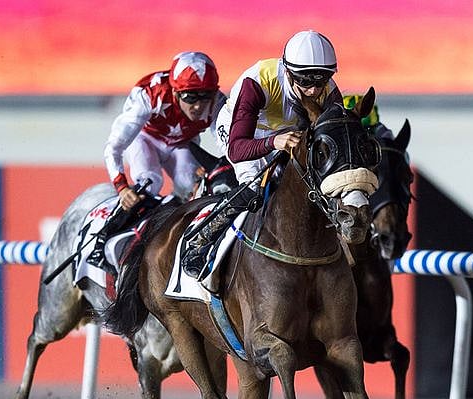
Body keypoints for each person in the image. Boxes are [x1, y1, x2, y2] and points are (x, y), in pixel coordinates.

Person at [181, 30, 343, 279]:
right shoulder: (258, 80)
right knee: (253, 186)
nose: (313, 91)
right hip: (245, 132)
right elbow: (237, 148)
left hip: (286, 134)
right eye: (305, 81)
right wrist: (274, 141)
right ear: (288, 72)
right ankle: (201, 240)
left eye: (320, 81)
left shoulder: (329, 91)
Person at [88, 51, 226, 270]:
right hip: (145, 139)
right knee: (150, 181)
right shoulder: (150, 94)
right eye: (190, 97)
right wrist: (123, 188)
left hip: (182, 143)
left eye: (205, 95)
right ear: (174, 91)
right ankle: (103, 239)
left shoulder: (218, 103)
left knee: (193, 187)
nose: (199, 106)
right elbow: (114, 147)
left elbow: (228, 144)